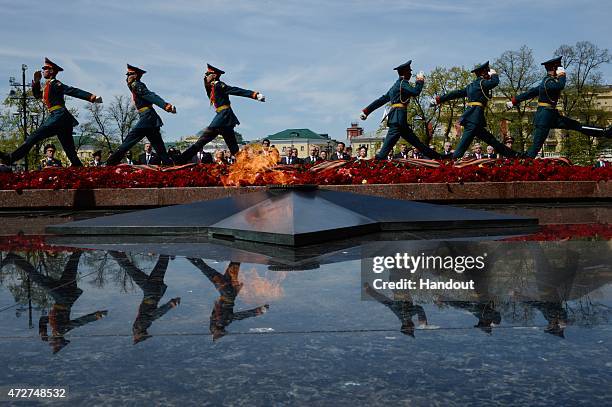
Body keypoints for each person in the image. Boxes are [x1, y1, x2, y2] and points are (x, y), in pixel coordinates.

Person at [0, 58, 102, 167]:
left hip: (59, 116)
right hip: (61, 119)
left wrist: (91, 97)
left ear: (52, 71)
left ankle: (11, 158)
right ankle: (80, 170)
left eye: (45, 69)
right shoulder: (47, 86)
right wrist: (37, 82)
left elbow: (71, 90)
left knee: (34, 136)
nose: (43, 70)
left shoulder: (55, 84)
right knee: (70, 151)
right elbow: (37, 95)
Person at [1, 252, 107, 353]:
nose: (51, 341)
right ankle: (14, 258)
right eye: (53, 343)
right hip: (63, 298)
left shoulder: (55, 328)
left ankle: (78, 249)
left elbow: (44, 319)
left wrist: (42, 331)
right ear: (58, 340)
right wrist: (96, 316)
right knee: (37, 278)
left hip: (65, 294)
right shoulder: (61, 331)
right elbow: (79, 322)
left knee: (71, 265)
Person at [507, 56, 612, 158]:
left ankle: (605, 132)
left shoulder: (546, 82)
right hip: (544, 117)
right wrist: (562, 75)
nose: (560, 71)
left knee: (576, 125)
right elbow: (560, 86)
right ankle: (521, 165)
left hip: (551, 116)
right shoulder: (548, 82)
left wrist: (514, 101)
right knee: (535, 148)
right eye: (558, 68)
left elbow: (530, 93)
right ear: (554, 69)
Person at [176, 64, 265, 164]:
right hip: (224, 118)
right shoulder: (212, 87)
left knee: (202, 141)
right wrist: (206, 78)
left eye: (208, 74)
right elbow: (206, 83)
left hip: (223, 117)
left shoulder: (219, 85)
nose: (205, 76)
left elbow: (235, 90)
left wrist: (254, 94)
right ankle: (244, 164)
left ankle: (180, 160)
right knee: (233, 148)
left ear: (214, 75)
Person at [431, 61, 521, 160]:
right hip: (473, 120)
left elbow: (454, 93)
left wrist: (439, 99)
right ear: (483, 73)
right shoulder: (482, 83)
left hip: (475, 120)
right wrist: (494, 74)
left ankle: (514, 155)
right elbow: (495, 82)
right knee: (461, 149)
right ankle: (446, 161)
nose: (488, 74)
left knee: (493, 141)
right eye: (487, 72)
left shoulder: (471, 86)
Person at [361, 60, 441, 160]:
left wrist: (366, 111)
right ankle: (373, 164)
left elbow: (381, 100)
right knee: (385, 151)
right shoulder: (403, 83)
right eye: (409, 71)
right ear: (405, 72)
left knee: (417, 143)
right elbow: (415, 91)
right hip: (398, 121)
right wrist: (420, 81)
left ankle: (438, 157)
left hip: (398, 120)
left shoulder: (395, 86)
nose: (411, 74)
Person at [106, 64, 176, 165]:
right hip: (148, 118)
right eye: (127, 74)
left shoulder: (137, 85)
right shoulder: (134, 86)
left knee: (129, 139)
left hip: (147, 117)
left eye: (130, 74)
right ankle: (168, 164)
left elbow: (150, 95)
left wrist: (166, 106)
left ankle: (110, 162)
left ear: (136, 75)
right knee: (158, 145)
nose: (127, 77)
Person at [188, 259, 269, 341]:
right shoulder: (221, 321)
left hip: (228, 292)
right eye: (214, 332)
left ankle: (191, 257)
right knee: (207, 270)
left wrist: (259, 311)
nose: (212, 330)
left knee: (231, 266)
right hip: (227, 291)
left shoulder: (221, 321)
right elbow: (240, 315)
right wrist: (258, 311)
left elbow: (240, 316)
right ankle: (191, 257)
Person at [109, 252, 180, 344]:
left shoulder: (139, 327)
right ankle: (112, 251)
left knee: (160, 266)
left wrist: (170, 304)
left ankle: (166, 252)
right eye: (136, 338)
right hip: (151, 291)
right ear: (139, 335)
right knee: (129, 269)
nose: (134, 337)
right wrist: (170, 305)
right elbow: (154, 315)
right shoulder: (141, 326)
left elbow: (153, 315)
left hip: (155, 291)